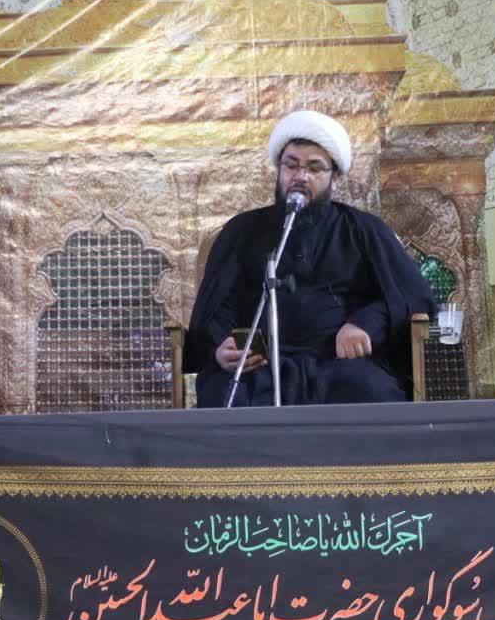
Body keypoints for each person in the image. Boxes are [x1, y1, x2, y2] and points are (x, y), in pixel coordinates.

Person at [184, 110, 437, 407]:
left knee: (373, 393)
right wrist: (221, 345)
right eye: (291, 165)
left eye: (315, 168)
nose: (300, 176)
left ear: (335, 177)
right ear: (279, 169)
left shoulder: (363, 230)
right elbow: (217, 305)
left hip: (340, 365)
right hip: (260, 365)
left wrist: (365, 323)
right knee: (225, 395)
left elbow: (414, 297)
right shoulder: (242, 230)